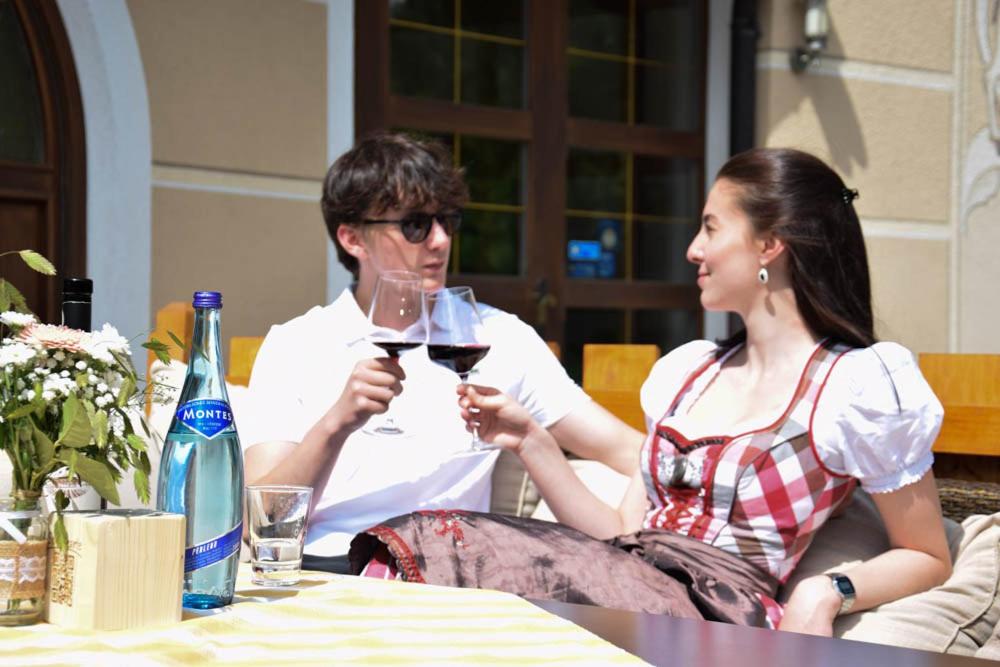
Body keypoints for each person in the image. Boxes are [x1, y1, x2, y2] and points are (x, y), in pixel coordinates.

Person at [348, 148, 953, 636]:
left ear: (770, 245)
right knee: (434, 538)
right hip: (629, 583)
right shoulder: (687, 374)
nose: (693, 249)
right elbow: (618, 531)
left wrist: (827, 590)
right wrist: (530, 439)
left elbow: (928, 555)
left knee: (450, 542)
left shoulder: (854, 386)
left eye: (711, 228)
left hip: (715, 614)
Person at [242, 132, 643, 573]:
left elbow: (636, 453)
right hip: (329, 570)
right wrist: (336, 425)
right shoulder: (298, 345)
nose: (439, 240)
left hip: (446, 574)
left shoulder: (498, 338)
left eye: (447, 220)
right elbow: (261, 520)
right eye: (415, 224)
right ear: (353, 239)